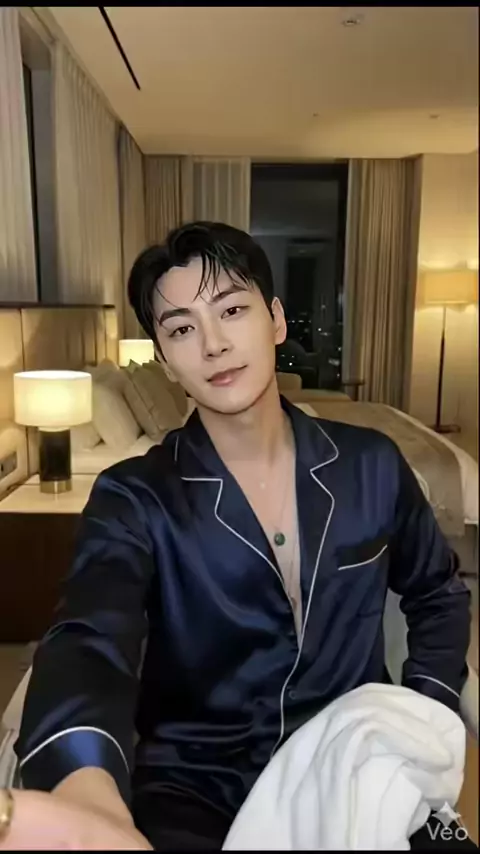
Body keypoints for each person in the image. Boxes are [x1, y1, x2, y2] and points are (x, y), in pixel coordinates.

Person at [5, 222, 473, 850]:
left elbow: (438, 593)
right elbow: (90, 639)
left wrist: (424, 708)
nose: (214, 344)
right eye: (181, 329)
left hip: (355, 758)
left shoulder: (372, 464)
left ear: (275, 319)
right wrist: (85, 789)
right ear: (164, 361)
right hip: (195, 786)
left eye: (231, 310)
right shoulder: (134, 497)